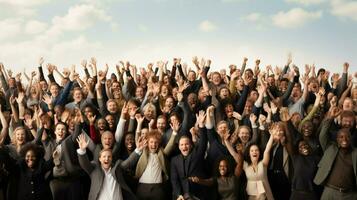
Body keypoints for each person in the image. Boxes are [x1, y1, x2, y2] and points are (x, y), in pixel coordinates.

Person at [76, 133, 146, 200]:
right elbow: (84, 163)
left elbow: (128, 162)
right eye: (104, 157)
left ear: (112, 159)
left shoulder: (117, 167)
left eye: (109, 157)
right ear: (100, 159)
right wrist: (82, 150)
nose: (106, 159)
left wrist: (138, 150)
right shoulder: (94, 168)